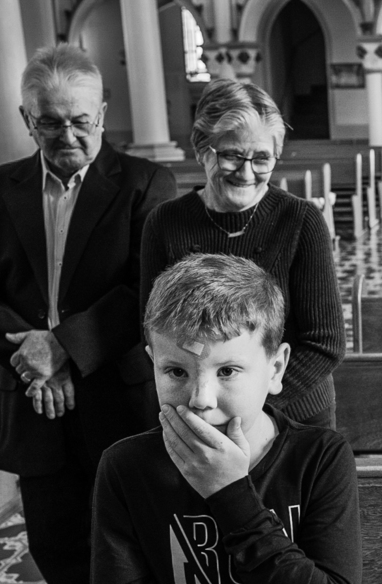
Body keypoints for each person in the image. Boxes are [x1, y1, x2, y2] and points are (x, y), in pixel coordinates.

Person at [0, 44, 176, 584]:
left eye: (81, 120)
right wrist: (34, 357)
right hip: (32, 396)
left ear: (103, 113)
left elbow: (148, 285)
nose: (68, 134)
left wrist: (65, 348)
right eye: (50, 121)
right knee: (55, 540)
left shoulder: (142, 184)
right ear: (27, 120)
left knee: (131, 537)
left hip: (115, 393)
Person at [90, 253, 361, 584]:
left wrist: (231, 495)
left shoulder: (320, 457)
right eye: (176, 371)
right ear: (151, 363)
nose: (200, 398)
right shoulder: (126, 469)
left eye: (229, 370)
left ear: (276, 368)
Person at [141, 79, 344, 427]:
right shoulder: (165, 222)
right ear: (202, 148)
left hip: (294, 415)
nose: (247, 172)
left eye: (262, 158)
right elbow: (151, 332)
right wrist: (202, 401)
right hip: (197, 411)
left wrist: (247, 410)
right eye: (233, 155)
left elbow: (324, 342)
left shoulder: (301, 219)